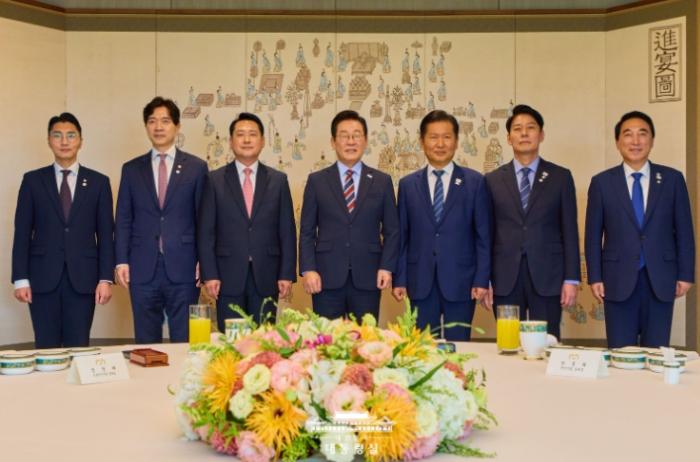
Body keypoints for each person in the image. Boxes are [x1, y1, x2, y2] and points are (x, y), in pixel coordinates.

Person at [585, 111, 694, 348]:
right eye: (628, 134)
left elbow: (685, 231)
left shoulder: (672, 179)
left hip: (661, 277)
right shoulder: (602, 182)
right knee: (620, 352)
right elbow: (593, 235)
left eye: (642, 134)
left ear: (652, 140)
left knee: (656, 350)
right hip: (616, 278)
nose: (635, 141)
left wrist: (686, 274)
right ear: (618, 142)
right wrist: (595, 276)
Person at [12, 112, 114, 348]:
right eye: (57, 135)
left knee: (78, 346)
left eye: (71, 135)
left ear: (81, 141)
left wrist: (105, 279)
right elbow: (22, 233)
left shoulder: (99, 182)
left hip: (83, 279)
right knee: (46, 347)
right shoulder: (33, 181)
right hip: (42, 278)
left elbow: (106, 235)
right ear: (49, 141)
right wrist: (20, 279)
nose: (64, 141)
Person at [115, 97, 208, 343]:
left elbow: (204, 220)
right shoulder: (131, 169)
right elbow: (123, 218)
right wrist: (121, 260)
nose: (158, 127)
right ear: (146, 126)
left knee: (185, 340)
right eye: (152, 121)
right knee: (146, 342)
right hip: (142, 266)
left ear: (177, 126)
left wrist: (204, 260)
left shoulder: (196, 168)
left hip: (185, 266)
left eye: (165, 121)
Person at [392, 110, 491, 340]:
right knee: (422, 347)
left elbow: (483, 237)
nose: (440, 144)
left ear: (456, 141)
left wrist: (481, 279)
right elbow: (402, 237)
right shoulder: (408, 185)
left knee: (460, 345)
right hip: (420, 280)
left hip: (462, 281)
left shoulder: (474, 182)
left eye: (446, 137)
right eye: (433, 137)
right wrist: (400, 278)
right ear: (422, 141)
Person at [485, 104, 580, 339]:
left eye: (531, 128)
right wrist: (484, 279)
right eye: (517, 129)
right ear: (509, 138)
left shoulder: (560, 177)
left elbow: (569, 231)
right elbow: (486, 234)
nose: (524, 133)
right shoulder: (492, 180)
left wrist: (571, 278)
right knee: (508, 342)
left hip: (548, 276)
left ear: (542, 134)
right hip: (504, 277)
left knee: (546, 342)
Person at [197, 113, 296, 330]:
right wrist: (209, 274)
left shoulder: (278, 181)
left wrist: (286, 274)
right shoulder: (214, 180)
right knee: (232, 341)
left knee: (264, 339)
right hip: (226, 275)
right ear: (231, 141)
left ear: (262, 141)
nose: (247, 139)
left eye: (252, 134)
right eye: (240, 134)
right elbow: (206, 232)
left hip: (267, 274)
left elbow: (287, 231)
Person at [299, 110, 399, 320]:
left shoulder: (381, 181)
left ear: (365, 141)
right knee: (326, 336)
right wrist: (308, 269)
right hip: (325, 277)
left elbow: (392, 231)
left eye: (356, 135)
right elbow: (307, 232)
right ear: (333, 141)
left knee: (366, 337)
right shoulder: (317, 181)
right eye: (344, 136)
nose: (351, 141)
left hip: (369, 276)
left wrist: (387, 267)